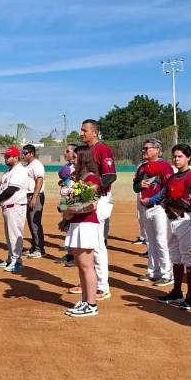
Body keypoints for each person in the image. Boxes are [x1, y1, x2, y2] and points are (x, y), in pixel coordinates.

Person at [70, 119, 116, 300]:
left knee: (96, 244)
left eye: (84, 130)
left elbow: (111, 175)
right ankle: (89, 283)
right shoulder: (87, 150)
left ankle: (102, 287)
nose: (81, 133)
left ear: (94, 132)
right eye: (81, 130)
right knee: (88, 244)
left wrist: (91, 192)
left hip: (101, 199)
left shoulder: (102, 149)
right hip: (90, 198)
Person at [155, 144, 191, 310]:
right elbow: (164, 197)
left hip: (185, 221)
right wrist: (163, 202)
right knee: (175, 257)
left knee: (188, 258)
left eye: (180, 156)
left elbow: (187, 204)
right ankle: (176, 291)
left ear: (188, 158)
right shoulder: (172, 178)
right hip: (171, 220)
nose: (176, 159)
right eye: (174, 156)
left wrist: (166, 202)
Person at [62, 145, 104, 317]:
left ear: (84, 158)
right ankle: (86, 300)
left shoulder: (92, 178)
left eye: (75, 157)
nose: (72, 160)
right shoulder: (81, 179)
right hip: (78, 224)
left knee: (87, 266)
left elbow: (91, 205)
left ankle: (92, 304)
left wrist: (71, 209)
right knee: (81, 266)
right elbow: (74, 201)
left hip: (86, 224)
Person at [134, 138, 174, 285]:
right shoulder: (142, 167)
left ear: (157, 150)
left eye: (147, 148)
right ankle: (153, 271)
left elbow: (167, 188)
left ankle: (167, 274)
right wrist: (139, 184)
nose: (144, 151)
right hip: (145, 209)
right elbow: (135, 187)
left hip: (159, 208)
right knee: (150, 241)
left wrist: (151, 200)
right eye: (143, 149)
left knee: (161, 241)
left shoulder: (165, 166)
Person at [0, 145, 28, 272]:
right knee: (9, 235)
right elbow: (2, 185)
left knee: (15, 235)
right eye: (5, 156)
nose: (5, 158)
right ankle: (10, 259)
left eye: (8, 156)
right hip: (8, 206)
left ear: (16, 157)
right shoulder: (8, 170)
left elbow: (11, 190)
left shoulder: (19, 170)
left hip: (16, 206)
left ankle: (17, 261)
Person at [54, 144, 77, 266]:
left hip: (73, 202)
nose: (65, 153)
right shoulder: (68, 166)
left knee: (73, 227)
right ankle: (69, 254)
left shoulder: (78, 167)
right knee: (67, 227)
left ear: (75, 152)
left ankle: (75, 256)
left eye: (67, 151)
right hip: (65, 200)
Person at [22, 144, 46, 259]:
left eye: (25, 153)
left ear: (32, 153)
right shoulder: (28, 165)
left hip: (35, 195)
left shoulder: (37, 164)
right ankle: (34, 246)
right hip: (28, 195)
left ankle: (39, 249)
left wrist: (34, 197)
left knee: (35, 222)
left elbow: (39, 180)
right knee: (31, 223)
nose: (23, 155)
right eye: (23, 152)